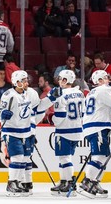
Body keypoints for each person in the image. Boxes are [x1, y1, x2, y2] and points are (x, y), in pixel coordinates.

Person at [0, 70, 59, 197]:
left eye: (26, 80)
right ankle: (12, 183)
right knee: (17, 158)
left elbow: (39, 107)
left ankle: (19, 183)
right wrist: (2, 114)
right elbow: (0, 112)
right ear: (16, 82)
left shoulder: (29, 94)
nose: (27, 82)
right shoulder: (8, 95)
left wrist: (51, 98)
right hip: (12, 131)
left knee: (24, 158)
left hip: (26, 131)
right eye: (24, 80)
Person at [79, 70, 111, 199]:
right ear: (99, 81)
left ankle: (95, 181)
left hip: (94, 126)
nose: (108, 80)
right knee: (100, 157)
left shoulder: (91, 93)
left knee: (103, 156)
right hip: (97, 126)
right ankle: (87, 182)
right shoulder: (104, 89)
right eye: (105, 78)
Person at [49, 69, 84, 197]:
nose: (58, 81)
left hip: (64, 130)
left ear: (65, 80)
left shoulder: (61, 95)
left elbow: (59, 117)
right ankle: (63, 181)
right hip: (77, 129)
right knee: (64, 158)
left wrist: (51, 119)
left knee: (64, 158)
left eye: (60, 79)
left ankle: (70, 183)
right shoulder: (79, 93)